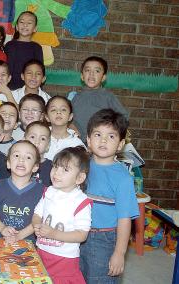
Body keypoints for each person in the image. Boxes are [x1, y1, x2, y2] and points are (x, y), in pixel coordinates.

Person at [80, 109, 139, 283]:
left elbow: (124, 219)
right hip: (76, 233)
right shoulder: (81, 166)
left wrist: (119, 253)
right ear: (88, 140)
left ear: (121, 144)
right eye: (98, 134)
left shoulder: (123, 177)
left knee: (100, 279)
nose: (103, 140)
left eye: (111, 136)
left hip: (104, 239)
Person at [33, 146, 92, 284]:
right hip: (41, 251)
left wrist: (53, 234)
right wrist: (36, 225)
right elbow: (37, 214)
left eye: (65, 170)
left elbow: (82, 235)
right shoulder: (48, 192)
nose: (56, 173)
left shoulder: (81, 202)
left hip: (64, 259)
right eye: (55, 167)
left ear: (79, 178)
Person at [0, 140, 44, 244]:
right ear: (8, 163)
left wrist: (19, 236)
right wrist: (2, 228)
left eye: (28, 157)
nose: (21, 160)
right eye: (16, 155)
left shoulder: (42, 191)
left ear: (35, 167)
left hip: (27, 243)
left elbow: (39, 220)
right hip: (0, 239)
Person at [71, 56, 129, 142]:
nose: (91, 74)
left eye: (97, 71)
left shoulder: (108, 97)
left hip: (101, 143)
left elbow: (124, 117)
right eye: (87, 70)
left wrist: (109, 130)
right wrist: (71, 125)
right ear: (82, 76)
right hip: (78, 142)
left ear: (103, 77)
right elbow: (67, 117)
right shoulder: (76, 97)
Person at [4, 11, 43, 90]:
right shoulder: (9, 45)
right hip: (10, 88)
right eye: (22, 22)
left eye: (29, 23)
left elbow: (40, 70)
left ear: (35, 28)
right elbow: (4, 68)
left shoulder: (37, 47)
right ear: (17, 27)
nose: (25, 25)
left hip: (29, 88)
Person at [44, 96, 85, 161]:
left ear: (70, 117)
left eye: (63, 109)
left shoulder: (77, 144)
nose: (58, 112)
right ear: (47, 117)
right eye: (53, 110)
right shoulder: (39, 138)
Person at [25, 121, 52, 187]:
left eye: (43, 139)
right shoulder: (16, 162)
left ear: (48, 146)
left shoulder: (52, 167)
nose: (37, 142)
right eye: (32, 137)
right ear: (24, 140)